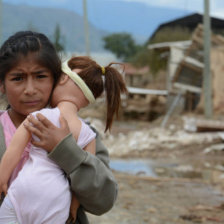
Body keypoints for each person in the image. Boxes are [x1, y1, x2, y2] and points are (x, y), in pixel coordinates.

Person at [0, 31, 118, 224]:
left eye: (40, 76)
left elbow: (103, 200)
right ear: (2, 84)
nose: (30, 89)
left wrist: (66, 151)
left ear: (56, 79)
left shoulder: (85, 135)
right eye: (17, 78)